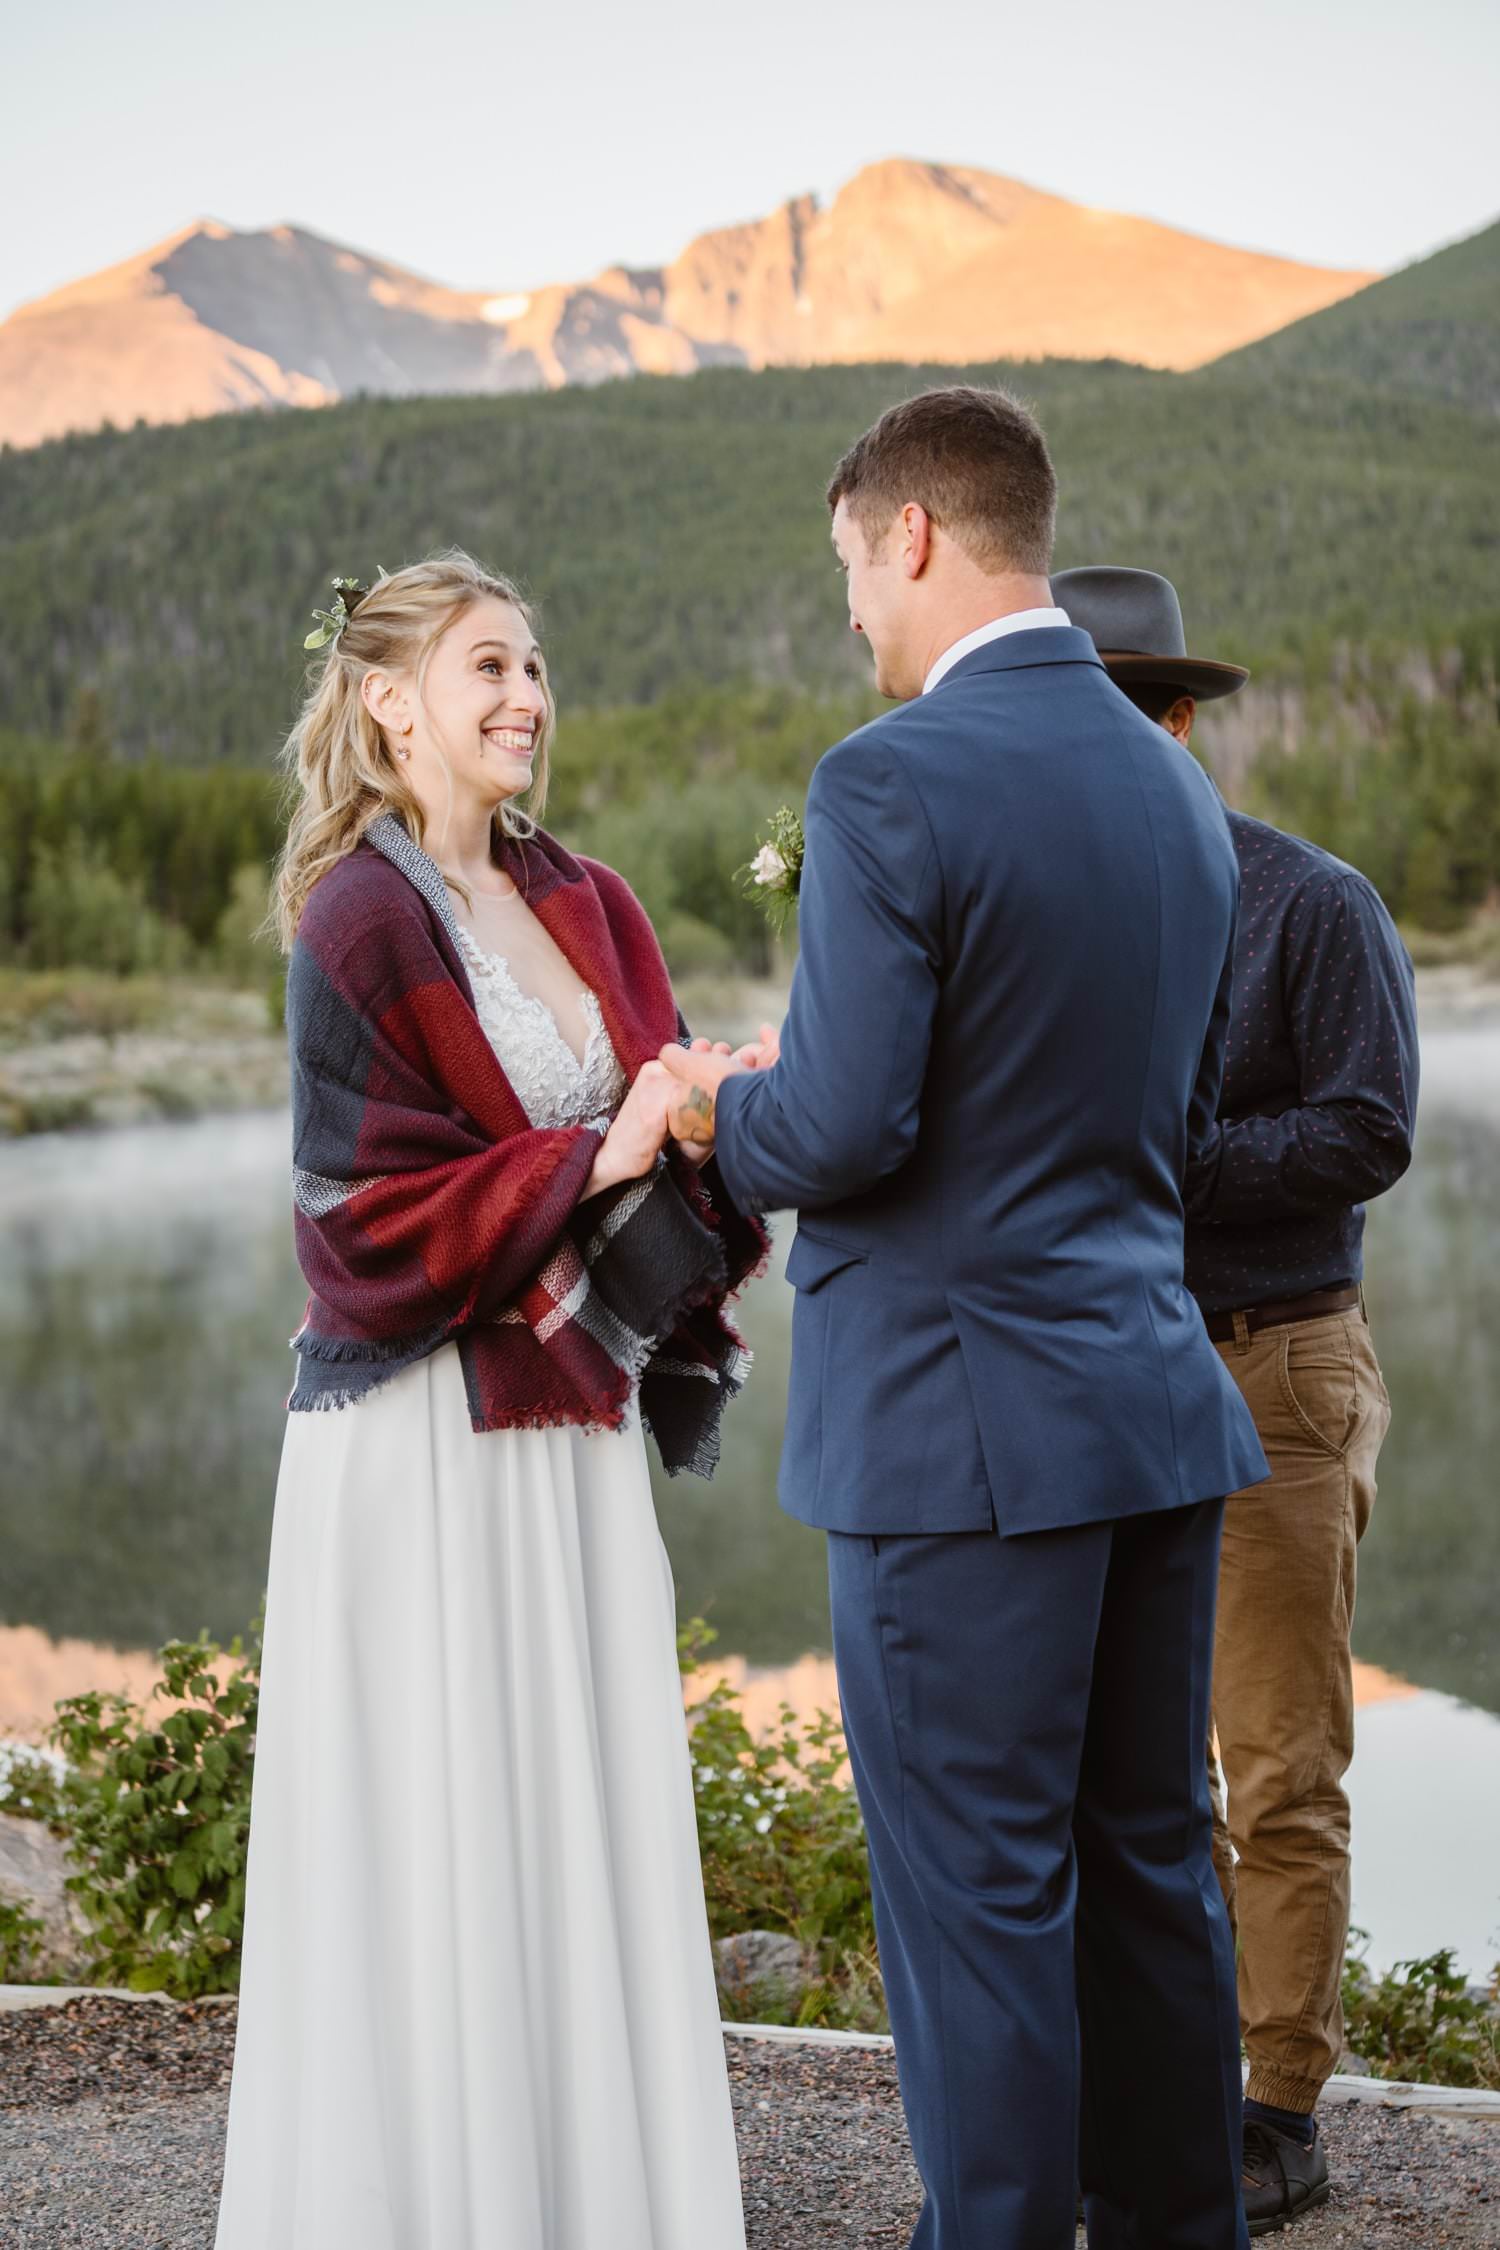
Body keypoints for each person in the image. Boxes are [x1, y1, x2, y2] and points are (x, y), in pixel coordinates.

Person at [656, 387, 1269, 2250]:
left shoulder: (890, 778)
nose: (851, 605)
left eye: (848, 561)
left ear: (912, 534)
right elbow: (1118, 1112)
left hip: (959, 1443)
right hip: (1149, 1407)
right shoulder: (1172, 783)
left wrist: (710, 1107)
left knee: (979, 1897)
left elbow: (842, 1125)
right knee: (1154, 1868)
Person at [213, 550, 766, 2250]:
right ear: (390, 702)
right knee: (435, 1841)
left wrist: (700, 1111)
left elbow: (646, 1133)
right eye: (486, 669)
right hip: (420, 1441)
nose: (525, 697)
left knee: (570, 1818)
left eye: (534, 666)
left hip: (570, 1428)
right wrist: (587, 1149)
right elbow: (352, 1229)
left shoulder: (594, 900)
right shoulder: (354, 922)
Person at [1054, 565, 1419, 2236]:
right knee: (1137, 1772)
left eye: (1117, 713)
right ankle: (1165, 2079)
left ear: (1180, 720)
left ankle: (1280, 2109)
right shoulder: (1056, 921)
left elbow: (1367, 1130)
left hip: (1277, 1361)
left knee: (1276, 1763)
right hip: (1117, 1369)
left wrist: (1165, 1161)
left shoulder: (1309, 902)